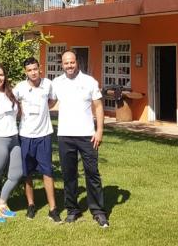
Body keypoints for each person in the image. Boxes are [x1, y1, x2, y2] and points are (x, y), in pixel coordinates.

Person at [52, 51, 108, 228]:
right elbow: (48, 103)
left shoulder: (89, 81)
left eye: (72, 62)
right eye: (66, 63)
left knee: (92, 173)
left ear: (77, 62)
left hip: (87, 135)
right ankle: (72, 210)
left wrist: (99, 131)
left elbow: (99, 107)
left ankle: (98, 211)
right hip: (65, 135)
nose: (69, 66)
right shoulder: (56, 83)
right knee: (69, 175)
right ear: (62, 64)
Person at [14, 57, 62, 223]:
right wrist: (20, 113)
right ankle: (31, 205)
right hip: (26, 136)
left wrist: (44, 110)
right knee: (27, 173)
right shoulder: (20, 87)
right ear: (25, 72)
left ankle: (53, 209)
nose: (33, 72)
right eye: (29, 70)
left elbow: (53, 100)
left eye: (35, 69)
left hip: (44, 135)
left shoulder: (48, 84)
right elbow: (12, 102)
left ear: (39, 68)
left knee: (47, 172)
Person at [0, 64, 23, 223]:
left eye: (1, 75)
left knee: (17, 173)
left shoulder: (11, 93)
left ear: (5, 76)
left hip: (14, 138)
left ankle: (3, 202)